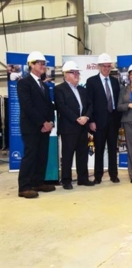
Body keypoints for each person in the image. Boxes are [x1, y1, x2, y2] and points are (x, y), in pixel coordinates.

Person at [16, 51, 56, 198]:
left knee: (42, 155)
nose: (43, 65)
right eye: (40, 63)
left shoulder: (44, 86)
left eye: (44, 63)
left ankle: (38, 182)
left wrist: (50, 122)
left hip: (44, 127)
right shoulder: (23, 83)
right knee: (30, 156)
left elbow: (49, 106)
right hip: (31, 127)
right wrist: (42, 122)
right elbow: (27, 106)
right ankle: (24, 187)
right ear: (31, 65)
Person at [54, 61, 95, 190]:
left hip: (83, 127)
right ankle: (66, 180)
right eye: (74, 72)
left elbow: (90, 105)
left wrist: (86, 117)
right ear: (66, 74)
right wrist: (77, 118)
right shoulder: (59, 89)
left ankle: (83, 178)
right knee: (67, 155)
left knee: (82, 154)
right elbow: (62, 107)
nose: (77, 75)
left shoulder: (82, 89)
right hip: (69, 128)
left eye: (78, 72)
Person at [86, 53, 122, 184]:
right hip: (98, 122)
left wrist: (119, 120)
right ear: (99, 67)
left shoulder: (114, 81)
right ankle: (98, 176)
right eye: (104, 66)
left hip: (113, 121)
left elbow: (117, 101)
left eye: (109, 66)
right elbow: (89, 103)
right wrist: (91, 121)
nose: (107, 69)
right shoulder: (91, 82)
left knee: (113, 149)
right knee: (99, 149)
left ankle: (114, 174)